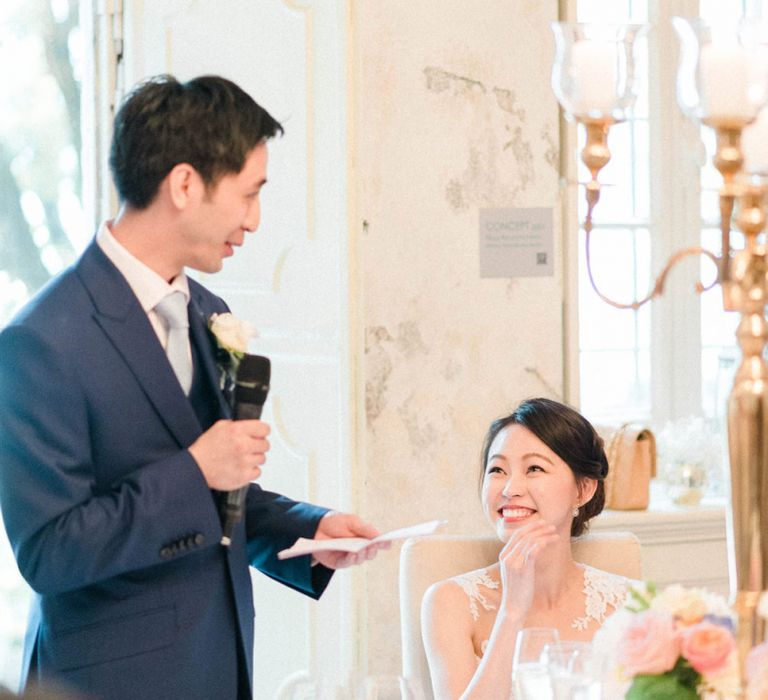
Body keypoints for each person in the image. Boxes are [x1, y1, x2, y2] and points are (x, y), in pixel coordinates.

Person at [0, 74, 385, 700]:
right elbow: (49, 552)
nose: (256, 221)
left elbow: (222, 493)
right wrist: (194, 469)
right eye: (249, 193)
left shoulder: (208, 308)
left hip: (218, 664)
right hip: (108, 681)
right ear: (184, 184)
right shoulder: (42, 340)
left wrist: (308, 534)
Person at [421, 397, 631, 699]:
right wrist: (512, 610)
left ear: (583, 489)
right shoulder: (449, 603)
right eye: (497, 470)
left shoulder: (632, 604)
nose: (510, 489)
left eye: (534, 468)